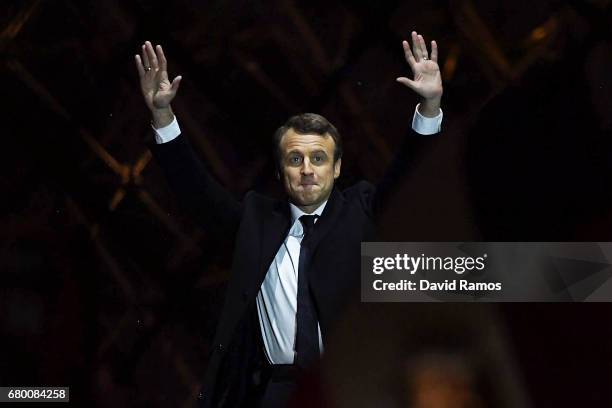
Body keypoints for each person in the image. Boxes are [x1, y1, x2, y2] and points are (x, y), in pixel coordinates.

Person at [134, 31, 444, 408]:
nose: (308, 170)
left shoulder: (363, 210)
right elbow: (196, 193)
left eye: (319, 159)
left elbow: (410, 176)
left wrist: (429, 106)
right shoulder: (256, 222)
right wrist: (163, 115)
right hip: (278, 395)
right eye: (296, 160)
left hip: (355, 386)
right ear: (281, 173)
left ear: (337, 168)